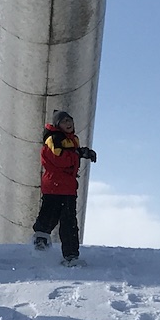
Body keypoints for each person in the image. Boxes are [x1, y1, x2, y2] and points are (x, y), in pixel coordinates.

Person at [31, 110, 96, 266]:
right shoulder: (53, 140)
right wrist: (78, 154)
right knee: (50, 215)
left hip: (67, 188)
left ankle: (71, 255)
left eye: (70, 120)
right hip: (54, 186)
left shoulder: (72, 140)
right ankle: (40, 241)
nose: (68, 124)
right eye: (64, 121)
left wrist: (81, 152)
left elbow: (69, 158)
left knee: (69, 223)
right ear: (57, 125)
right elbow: (61, 160)